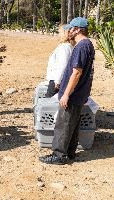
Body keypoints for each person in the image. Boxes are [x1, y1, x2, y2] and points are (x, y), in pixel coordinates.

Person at [39, 17, 95, 165]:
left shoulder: (82, 46)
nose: (68, 31)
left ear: (77, 30)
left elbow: (76, 72)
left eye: (70, 28)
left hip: (73, 93)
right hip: (80, 93)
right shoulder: (87, 45)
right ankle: (70, 152)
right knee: (73, 124)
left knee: (63, 124)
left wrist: (66, 94)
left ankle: (58, 155)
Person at [45, 25, 75, 97]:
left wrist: (57, 82)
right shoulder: (69, 46)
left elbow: (63, 65)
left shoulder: (65, 47)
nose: (58, 35)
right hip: (61, 80)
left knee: (48, 103)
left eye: (59, 32)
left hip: (57, 81)